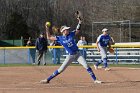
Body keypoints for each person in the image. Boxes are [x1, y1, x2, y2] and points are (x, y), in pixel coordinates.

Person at [40, 18, 102, 84]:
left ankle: (95, 80)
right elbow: (49, 37)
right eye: (66, 29)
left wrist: (80, 22)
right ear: (63, 31)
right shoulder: (60, 38)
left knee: (86, 65)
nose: (68, 30)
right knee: (61, 69)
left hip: (78, 54)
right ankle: (47, 79)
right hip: (70, 56)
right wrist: (47, 28)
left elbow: (77, 30)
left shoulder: (71, 34)